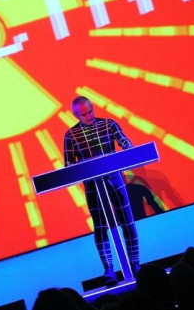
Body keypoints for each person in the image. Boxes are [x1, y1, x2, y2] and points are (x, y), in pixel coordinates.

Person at [64, 96, 140, 285]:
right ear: (75, 115)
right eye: (84, 114)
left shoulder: (108, 124)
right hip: (92, 187)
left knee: (128, 222)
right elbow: (68, 165)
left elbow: (124, 142)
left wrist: (129, 151)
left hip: (116, 180)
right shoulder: (70, 135)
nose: (89, 116)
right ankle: (109, 270)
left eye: (90, 111)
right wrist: (85, 164)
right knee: (100, 228)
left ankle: (135, 264)